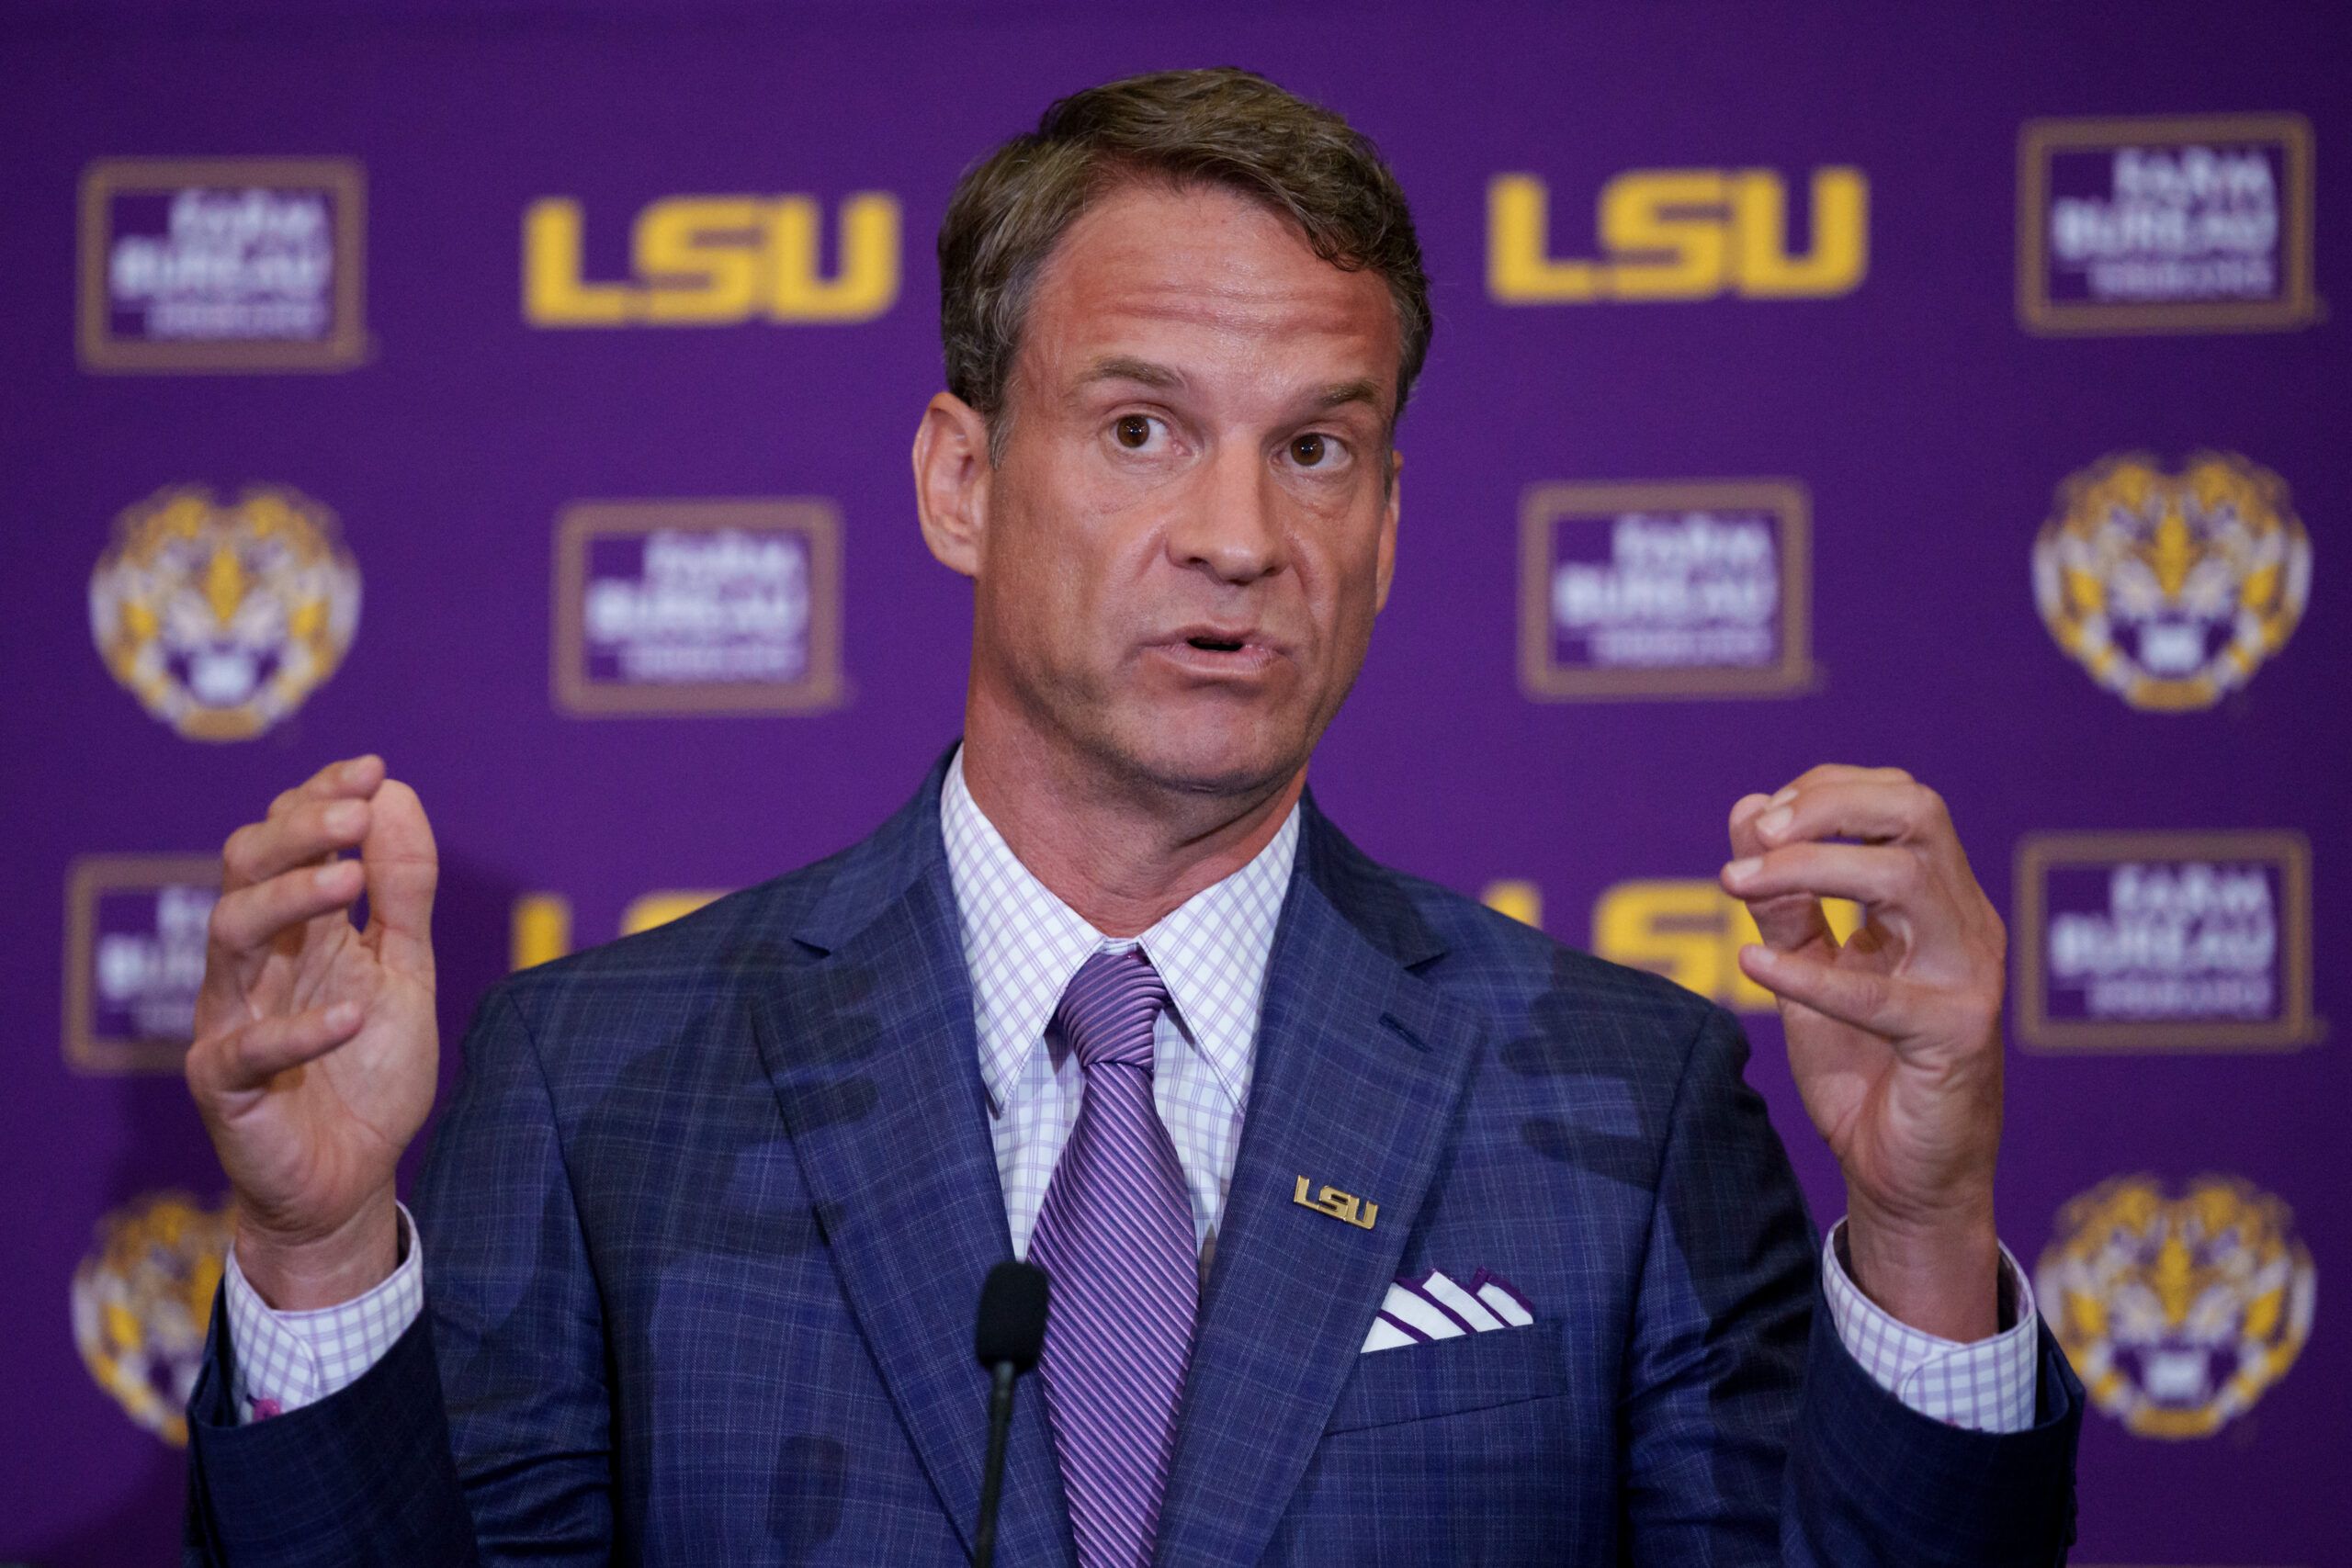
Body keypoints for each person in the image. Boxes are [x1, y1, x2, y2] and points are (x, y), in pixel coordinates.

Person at [181, 68, 2080, 1566]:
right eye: (1140, 428)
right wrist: (327, 1250)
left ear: (1391, 523)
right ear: (956, 477)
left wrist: (1918, 1227)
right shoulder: (600, 1079)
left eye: (1314, 448)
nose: (1240, 537)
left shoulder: (1621, 1090)